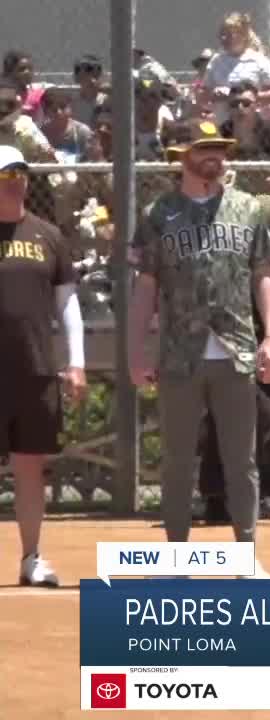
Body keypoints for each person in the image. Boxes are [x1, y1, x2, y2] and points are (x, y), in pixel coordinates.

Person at [127, 119, 270, 576]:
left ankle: (246, 558)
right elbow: (145, 288)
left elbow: (264, 275)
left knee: (242, 461)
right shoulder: (160, 212)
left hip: (235, 349)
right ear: (184, 157)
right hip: (180, 353)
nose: (216, 155)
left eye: (220, 148)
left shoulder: (248, 208)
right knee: (177, 461)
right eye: (206, 148)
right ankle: (177, 560)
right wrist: (136, 352)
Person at [0, 146, 85, 587]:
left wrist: (77, 363)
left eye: (19, 173)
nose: (14, 180)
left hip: (33, 371)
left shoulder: (48, 236)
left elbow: (67, 305)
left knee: (30, 466)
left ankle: (31, 557)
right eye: (5, 174)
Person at [200, 220, 270, 522]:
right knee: (245, 420)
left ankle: (261, 494)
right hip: (228, 363)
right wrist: (264, 366)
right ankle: (217, 497)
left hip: (261, 362)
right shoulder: (234, 290)